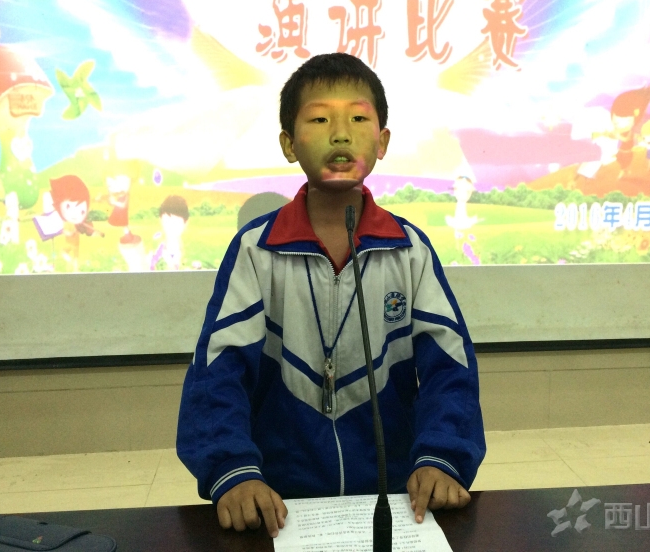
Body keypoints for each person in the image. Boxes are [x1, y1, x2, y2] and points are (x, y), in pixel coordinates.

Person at [176, 53, 486, 539]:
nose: (340, 135)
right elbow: (219, 369)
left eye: (358, 119)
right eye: (320, 120)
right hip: (279, 502)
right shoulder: (257, 251)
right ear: (288, 143)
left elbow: (450, 366)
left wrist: (442, 456)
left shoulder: (409, 250)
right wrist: (232, 470)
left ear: (382, 142)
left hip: (395, 498)